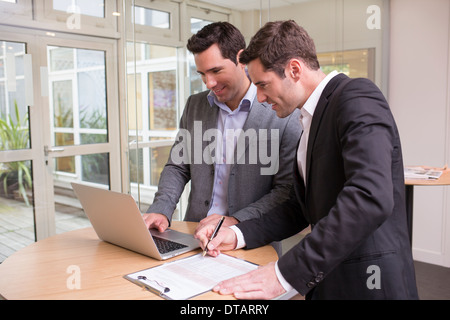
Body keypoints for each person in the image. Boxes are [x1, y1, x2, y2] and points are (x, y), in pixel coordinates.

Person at [196, 20, 419, 300]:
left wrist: (282, 274)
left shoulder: (356, 97)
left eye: (263, 85)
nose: (261, 97)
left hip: (369, 285)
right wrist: (239, 234)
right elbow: (298, 210)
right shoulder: (309, 119)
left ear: (294, 69)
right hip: (329, 280)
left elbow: (369, 196)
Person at [143, 22, 301, 251]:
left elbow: (285, 191)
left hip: (250, 240)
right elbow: (178, 166)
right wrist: (161, 208)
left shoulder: (283, 112)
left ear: (241, 58)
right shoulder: (195, 105)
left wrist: (236, 222)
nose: (209, 83)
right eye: (202, 74)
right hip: (193, 236)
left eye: (216, 71)